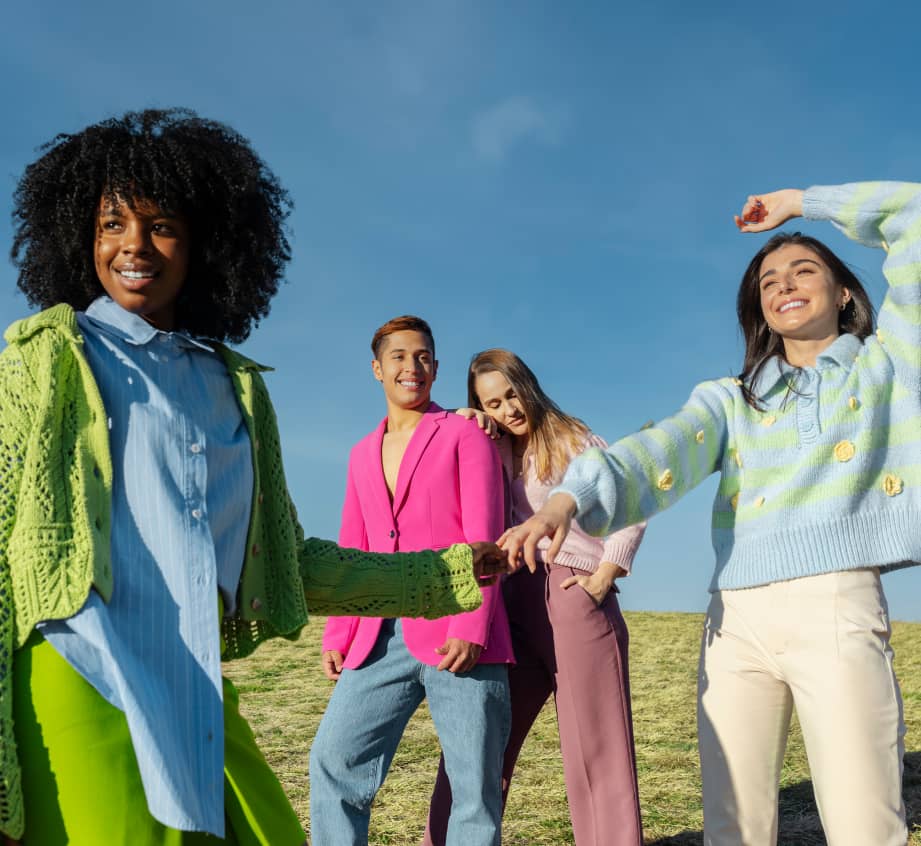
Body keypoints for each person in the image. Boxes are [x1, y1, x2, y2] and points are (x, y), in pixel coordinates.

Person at [0, 109, 508, 846]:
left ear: (204, 241)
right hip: (76, 680)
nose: (133, 246)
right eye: (112, 223)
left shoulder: (235, 387)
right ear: (81, 234)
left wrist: (444, 576)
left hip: (194, 689)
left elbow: (279, 559)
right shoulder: (41, 359)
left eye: (162, 224)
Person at [501, 183, 920, 845]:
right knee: (731, 830)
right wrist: (565, 499)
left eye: (803, 270)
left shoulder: (888, 367)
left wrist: (801, 204)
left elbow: (916, 216)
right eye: (766, 282)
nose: (781, 284)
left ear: (843, 292)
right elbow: (654, 449)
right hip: (733, 623)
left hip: (836, 607)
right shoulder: (730, 401)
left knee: (864, 825)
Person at [425, 349, 646, 846]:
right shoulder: (490, 444)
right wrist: (465, 420)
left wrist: (606, 572)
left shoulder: (574, 439)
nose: (508, 409)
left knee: (596, 745)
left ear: (529, 385)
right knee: (481, 738)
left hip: (573, 593)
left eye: (511, 394)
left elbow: (631, 499)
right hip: (507, 602)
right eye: (493, 403)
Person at [309, 316, 514, 846]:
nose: (412, 366)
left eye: (423, 356)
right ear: (378, 368)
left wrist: (472, 625)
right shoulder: (359, 454)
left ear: (436, 368)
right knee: (334, 762)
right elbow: (351, 549)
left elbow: (484, 536)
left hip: (460, 632)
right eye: (399, 356)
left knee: (473, 792)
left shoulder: (465, 434)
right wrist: (338, 632)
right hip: (378, 638)